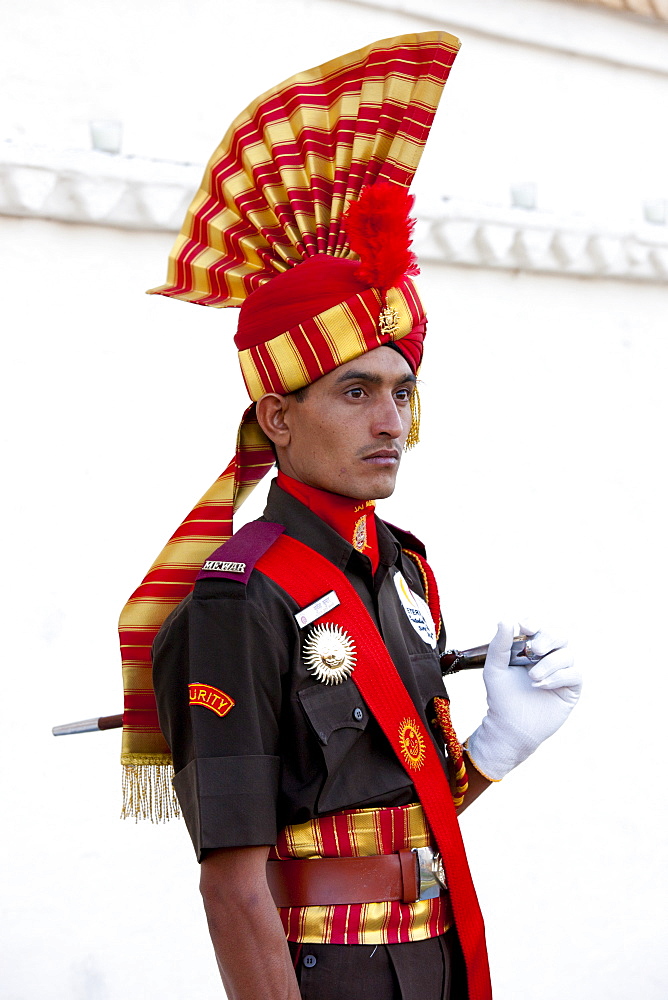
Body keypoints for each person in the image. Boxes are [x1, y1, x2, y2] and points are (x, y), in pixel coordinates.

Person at [119, 32, 581, 1000]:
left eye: (402, 392)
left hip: (434, 954)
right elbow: (231, 886)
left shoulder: (403, 569)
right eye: (354, 392)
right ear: (277, 416)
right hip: (321, 974)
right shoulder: (236, 598)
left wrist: (496, 746)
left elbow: (391, 804)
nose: (390, 421)